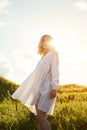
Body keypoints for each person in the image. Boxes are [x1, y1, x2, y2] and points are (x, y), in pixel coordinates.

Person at [12, 34, 59, 130]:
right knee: (39, 118)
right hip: (38, 90)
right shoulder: (42, 57)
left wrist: (54, 87)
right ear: (41, 43)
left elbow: (55, 70)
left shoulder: (53, 53)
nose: (45, 42)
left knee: (41, 117)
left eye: (47, 40)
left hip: (47, 88)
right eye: (43, 40)